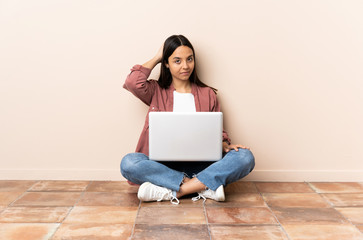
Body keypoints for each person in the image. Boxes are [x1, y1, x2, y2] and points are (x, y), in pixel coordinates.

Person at [121, 35, 255, 205]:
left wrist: (225, 145)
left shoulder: (208, 94)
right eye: (177, 61)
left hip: (202, 165)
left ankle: (174, 191)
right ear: (167, 63)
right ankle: (204, 187)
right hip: (163, 167)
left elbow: (215, 132)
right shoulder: (156, 91)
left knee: (245, 157)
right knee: (128, 162)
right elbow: (133, 82)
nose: (185, 66)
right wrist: (157, 57)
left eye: (189, 59)